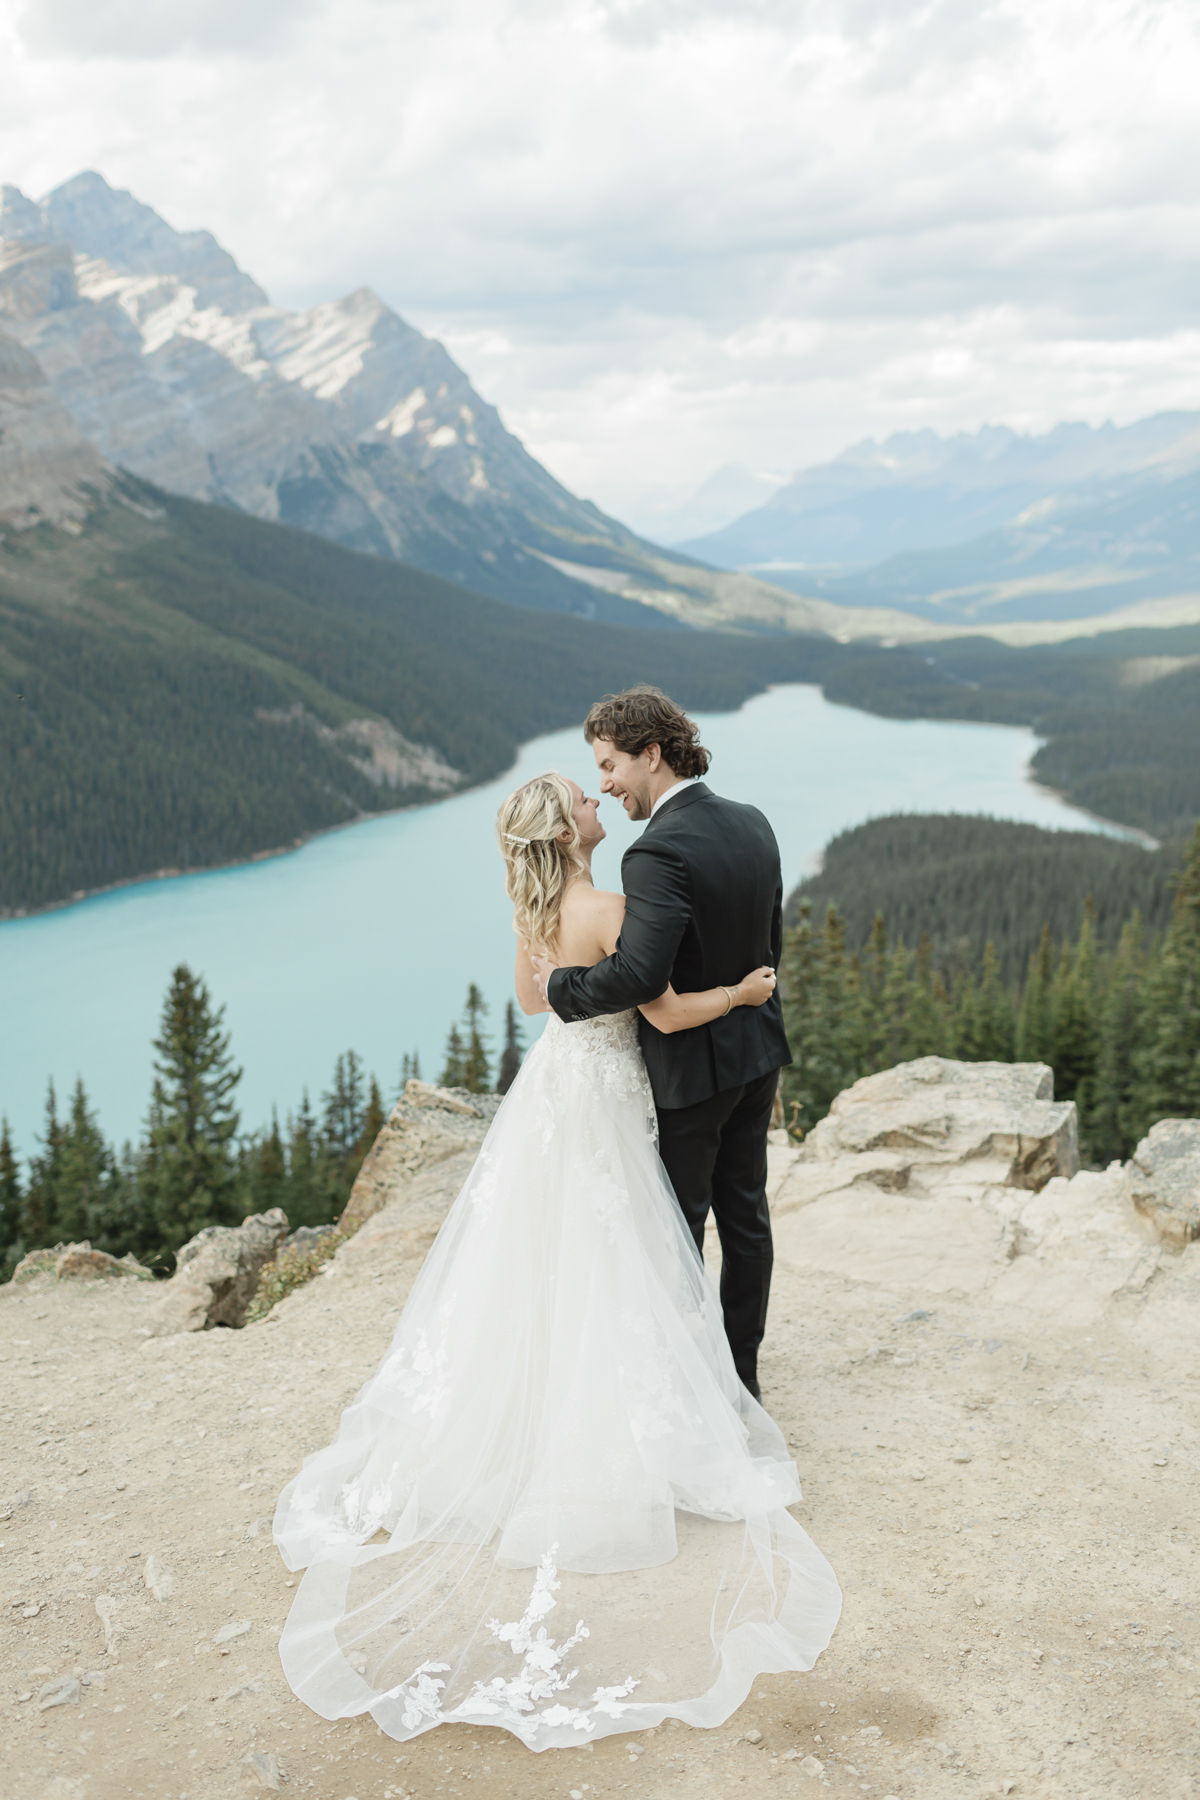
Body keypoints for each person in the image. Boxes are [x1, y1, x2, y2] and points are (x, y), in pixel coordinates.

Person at [272, 764, 840, 1753]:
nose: (596, 801)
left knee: (536, 1258)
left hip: (548, 1099)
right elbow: (661, 1015)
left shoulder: (530, 907)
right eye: (584, 799)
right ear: (572, 832)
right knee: (618, 1260)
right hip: (611, 1097)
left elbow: (537, 999)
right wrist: (746, 987)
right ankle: (625, 1425)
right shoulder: (613, 907)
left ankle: (516, 1415)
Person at [534, 686, 790, 1401]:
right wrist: (744, 1002)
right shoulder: (752, 821)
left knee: (679, 1232)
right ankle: (742, 1378)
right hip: (757, 1053)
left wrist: (561, 989)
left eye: (610, 765)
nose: (606, 784)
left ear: (652, 753)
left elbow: (640, 975)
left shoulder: (655, 854)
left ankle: (691, 1395)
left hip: (689, 1073)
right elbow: (768, 942)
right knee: (747, 1217)